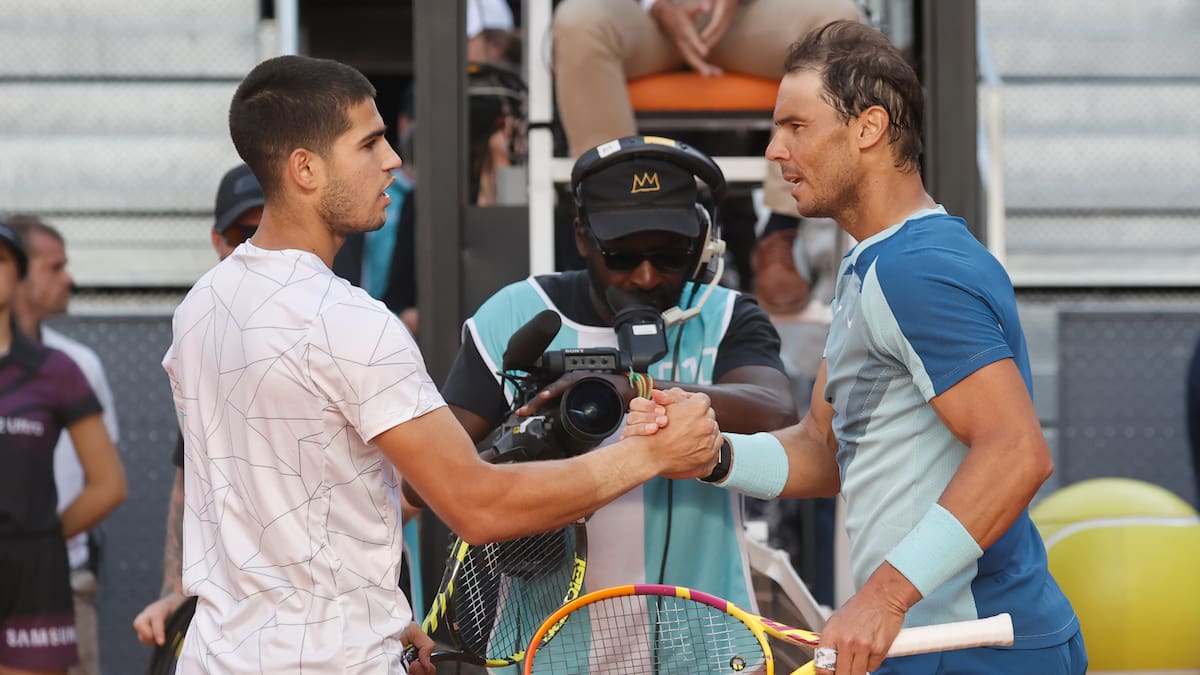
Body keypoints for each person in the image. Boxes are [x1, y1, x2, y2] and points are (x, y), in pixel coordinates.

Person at [162, 54, 721, 675]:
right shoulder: (348, 319)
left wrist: (384, 616)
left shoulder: (201, 306)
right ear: (305, 169)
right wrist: (649, 455)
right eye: (369, 143)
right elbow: (477, 506)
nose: (392, 160)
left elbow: (275, 500)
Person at [628, 21, 1086, 675]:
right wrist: (710, 452)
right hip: (931, 644)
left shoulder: (915, 270)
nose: (775, 149)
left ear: (868, 128)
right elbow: (825, 448)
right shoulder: (874, 263)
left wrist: (884, 595)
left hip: (976, 648)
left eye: (795, 126)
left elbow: (1017, 451)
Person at [439, 134, 797, 646]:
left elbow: (777, 410)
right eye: (622, 255)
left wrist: (633, 388)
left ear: (701, 241)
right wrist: (516, 444)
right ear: (582, 236)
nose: (647, 276)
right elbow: (435, 471)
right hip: (549, 648)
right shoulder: (517, 313)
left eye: (671, 254)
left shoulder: (725, 316)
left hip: (704, 644)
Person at [551, 0, 861, 276]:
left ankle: (780, 233)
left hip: (746, 18)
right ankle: (618, 229)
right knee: (578, 21)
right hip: (639, 17)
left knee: (837, 23)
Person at [130, 163, 264, 648]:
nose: (250, 245)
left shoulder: (350, 321)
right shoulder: (201, 330)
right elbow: (190, 475)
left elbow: (401, 483)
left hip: (336, 629)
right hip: (233, 627)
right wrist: (174, 593)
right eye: (239, 232)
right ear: (216, 240)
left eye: (263, 228)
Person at [0, 222, 127, 675]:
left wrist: (37, 538)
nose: (67, 278)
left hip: (50, 579)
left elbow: (108, 484)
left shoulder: (65, 368)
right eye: (54, 267)